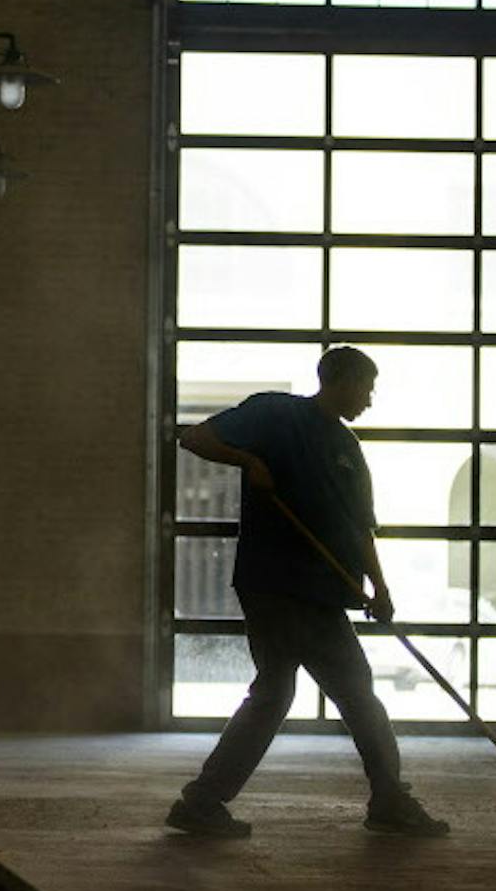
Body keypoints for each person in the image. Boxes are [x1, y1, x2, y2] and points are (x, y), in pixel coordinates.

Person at [166, 346, 450, 838]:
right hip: (277, 585)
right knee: (348, 691)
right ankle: (388, 798)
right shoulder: (277, 414)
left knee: (280, 692)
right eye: (365, 388)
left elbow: (362, 529)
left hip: (321, 592)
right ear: (339, 381)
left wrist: (379, 586)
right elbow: (194, 437)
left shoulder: (347, 449)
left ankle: (203, 800)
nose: (369, 400)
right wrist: (245, 460)